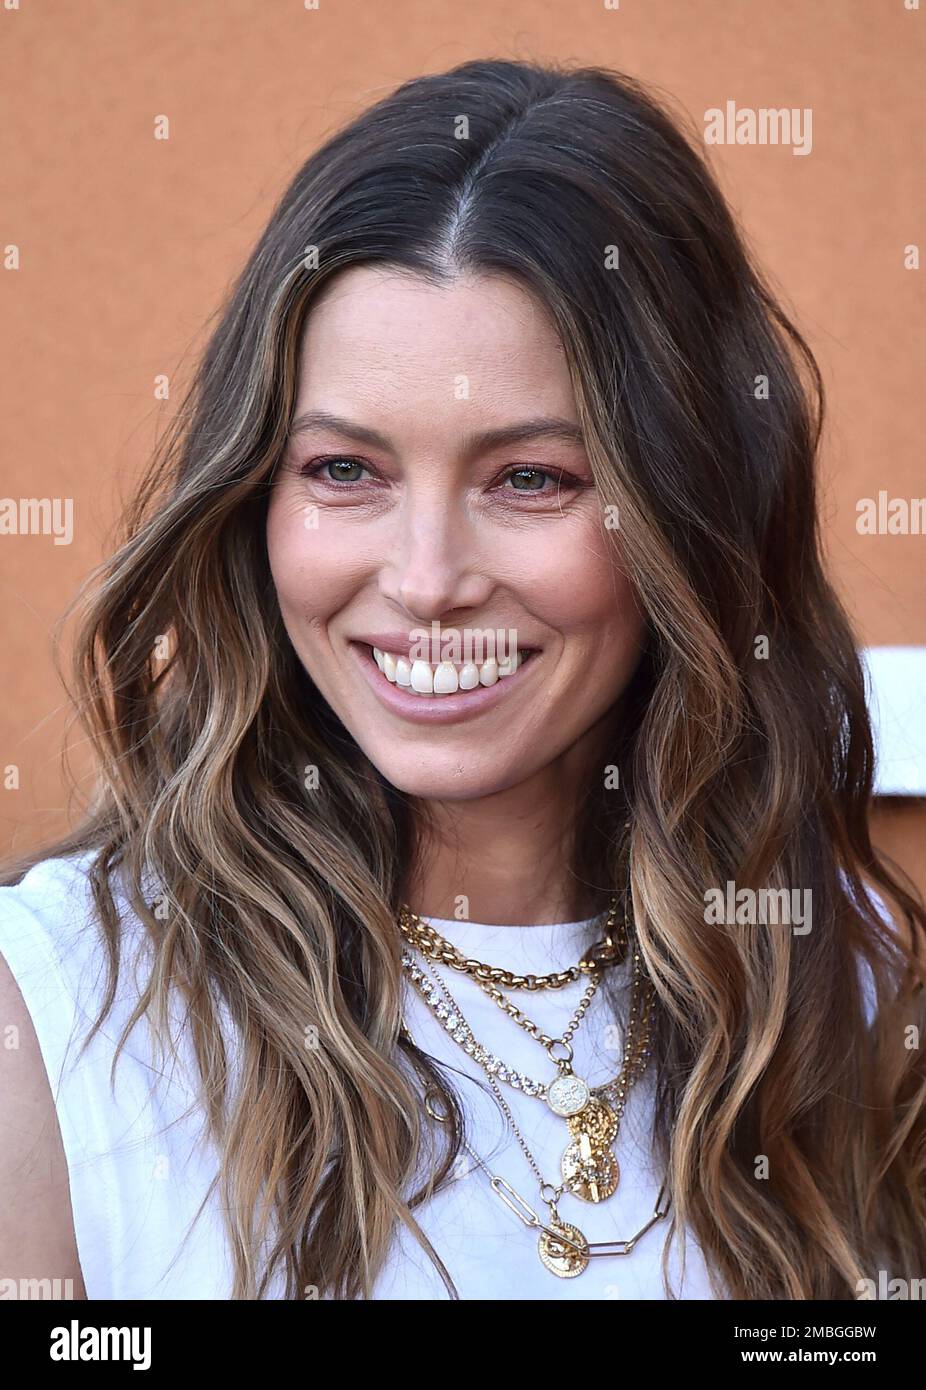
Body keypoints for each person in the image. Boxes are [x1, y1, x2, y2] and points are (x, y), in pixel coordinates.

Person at [1, 57, 924, 1302]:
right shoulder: (53, 1015)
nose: (427, 579)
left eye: (529, 479)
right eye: (342, 470)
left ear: (688, 512)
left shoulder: (839, 998)